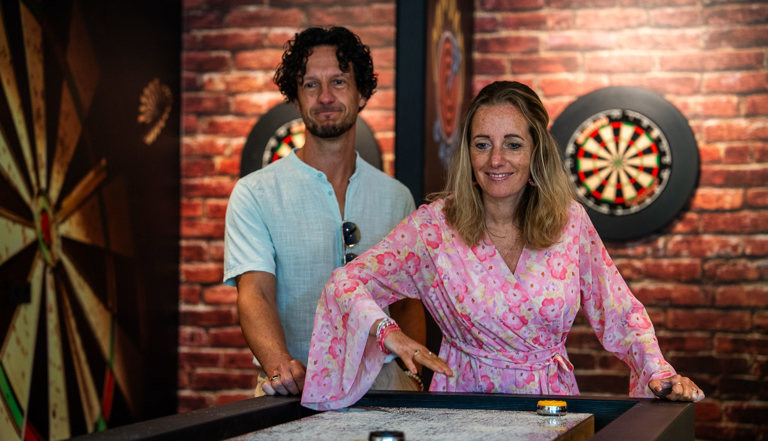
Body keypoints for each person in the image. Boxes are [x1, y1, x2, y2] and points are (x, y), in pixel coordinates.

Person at [300, 80, 705, 410]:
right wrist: (388, 332)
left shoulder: (570, 223)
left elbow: (619, 312)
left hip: (551, 407)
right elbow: (345, 283)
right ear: (468, 153)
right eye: (482, 144)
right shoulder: (433, 228)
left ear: (535, 151)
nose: (496, 159)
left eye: (512, 143)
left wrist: (658, 371)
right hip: (463, 410)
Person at [224, 26, 425, 396]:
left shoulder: (397, 197)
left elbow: (407, 302)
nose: (325, 96)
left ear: (362, 93)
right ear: (296, 97)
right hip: (293, 387)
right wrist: (280, 367)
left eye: (338, 81)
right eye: (311, 84)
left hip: (384, 389)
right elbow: (255, 294)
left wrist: (412, 378)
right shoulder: (254, 194)